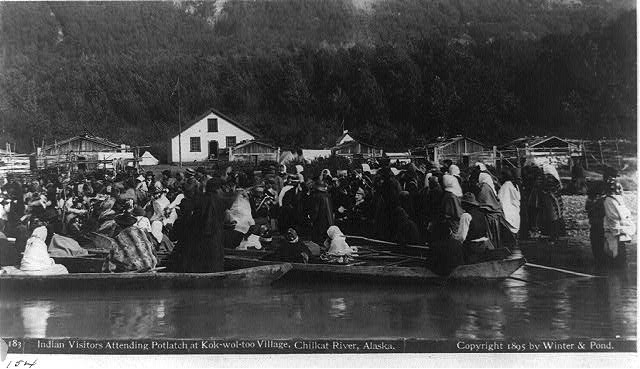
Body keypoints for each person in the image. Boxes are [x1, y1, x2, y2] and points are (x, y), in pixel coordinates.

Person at [603, 179, 635, 267]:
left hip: (615, 230)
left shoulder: (609, 200)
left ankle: (617, 271)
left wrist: (615, 229)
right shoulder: (618, 199)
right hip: (621, 229)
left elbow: (612, 216)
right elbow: (625, 214)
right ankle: (620, 268)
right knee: (620, 250)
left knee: (614, 251)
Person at [540, 163, 565, 242]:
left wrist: (543, 191)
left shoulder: (549, 179)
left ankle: (553, 237)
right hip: (555, 200)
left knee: (552, 218)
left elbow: (547, 190)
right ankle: (557, 235)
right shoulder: (554, 178)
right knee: (556, 217)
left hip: (552, 201)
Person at [497, 168, 521, 240]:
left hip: (508, 212)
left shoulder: (506, 186)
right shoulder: (514, 185)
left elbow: (501, 199)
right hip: (515, 212)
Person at [309, 179, 334, 244]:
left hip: (320, 220)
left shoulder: (316, 195)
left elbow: (315, 210)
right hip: (328, 220)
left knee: (318, 239)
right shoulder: (327, 195)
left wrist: (312, 219)